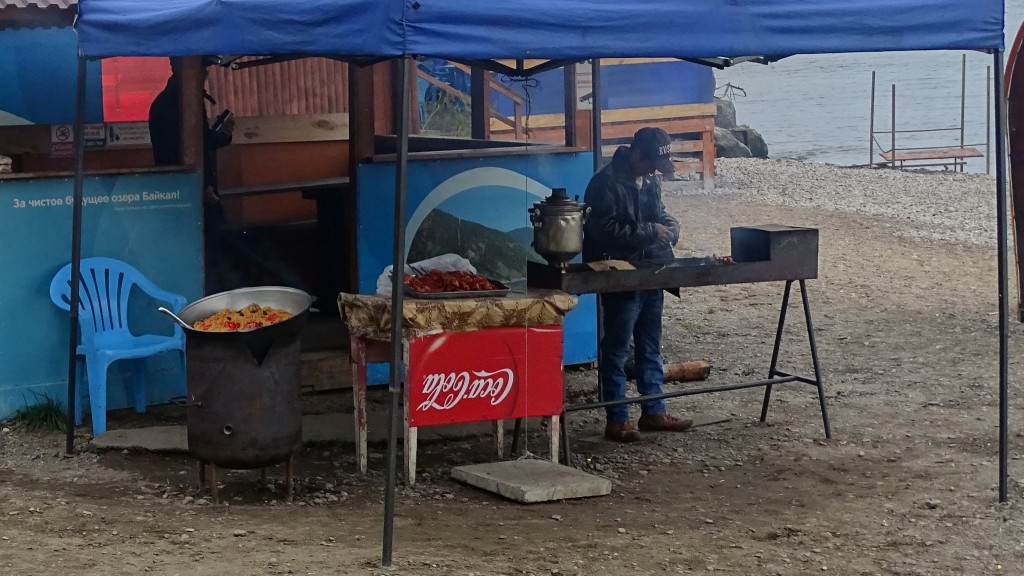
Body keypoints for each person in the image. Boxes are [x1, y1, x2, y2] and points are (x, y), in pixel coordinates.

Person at [582, 126, 694, 443]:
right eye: (650, 165)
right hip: (618, 273)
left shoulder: (650, 178)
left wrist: (671, 226)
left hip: (651, 272)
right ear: (636, 154)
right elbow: (601, 232)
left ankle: (653, 411)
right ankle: (617, 417)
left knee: (650, 347)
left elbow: (658, 213)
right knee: (616, 350)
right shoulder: (604, 183)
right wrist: (649, 232)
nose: (653, 172)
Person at [148, 57, 235, 294]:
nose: (206, 73)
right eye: (201, 68)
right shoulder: (175, 103)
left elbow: (199, 140)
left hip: (190, 191)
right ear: (182, 70)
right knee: (208, 249)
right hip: (190, 194)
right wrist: (200, 187)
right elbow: (177, 151)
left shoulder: (172, 101)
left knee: (211, 248)